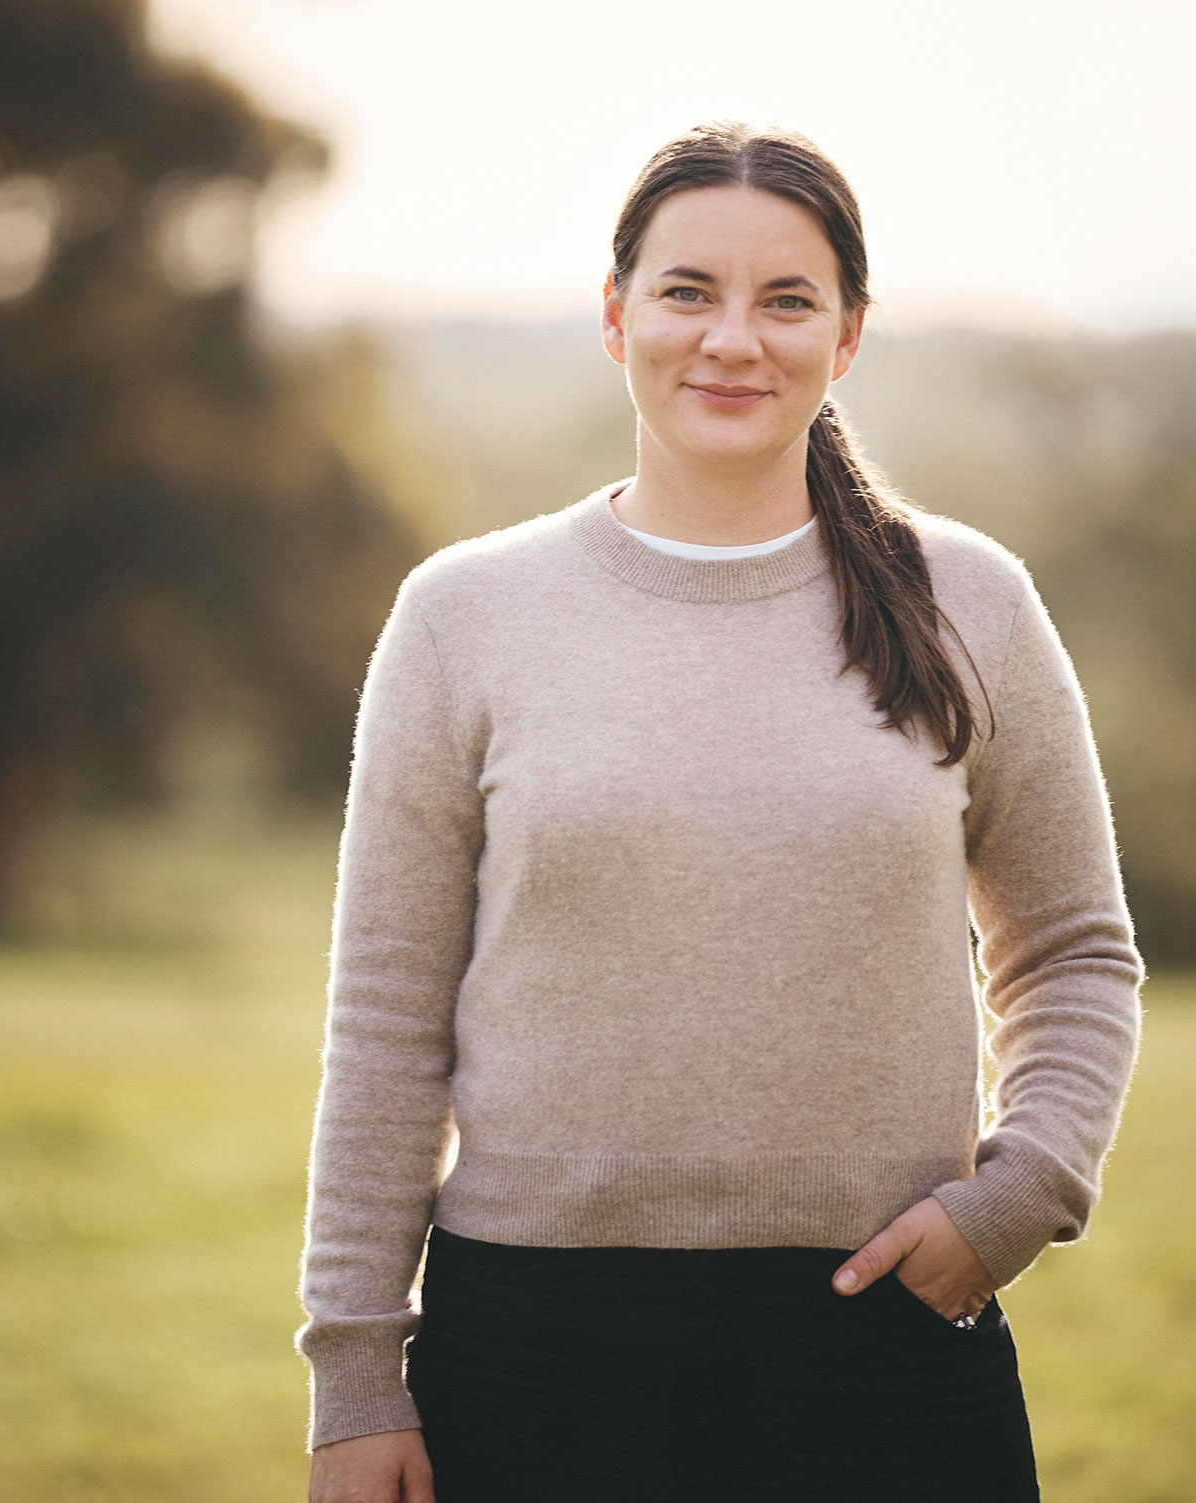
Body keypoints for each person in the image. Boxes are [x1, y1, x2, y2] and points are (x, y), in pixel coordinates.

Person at [295, 119, 1145, 1503]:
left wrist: (1019, 1194)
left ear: (850, 337)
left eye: (787, 299)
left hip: (885, 1340)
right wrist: (355, 1377)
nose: (733, 339)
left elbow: (1073, 952)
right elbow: (387, 1023)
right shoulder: (464, 618)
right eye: (690, 291)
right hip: (529, 1351)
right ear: (618, 316)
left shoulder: (968, 600)